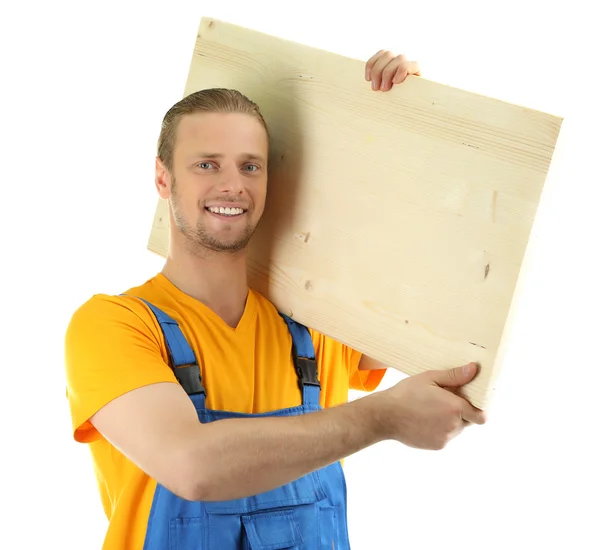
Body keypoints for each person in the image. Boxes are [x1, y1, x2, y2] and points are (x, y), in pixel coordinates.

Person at [64, 49, 487, 550]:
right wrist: (382, 416)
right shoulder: (115, 325)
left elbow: (452, 316)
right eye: (206, 164)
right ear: (163, 178)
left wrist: (414, 119)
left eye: (251, 166)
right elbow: (191, 465)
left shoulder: (318, 328)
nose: (232, 185)